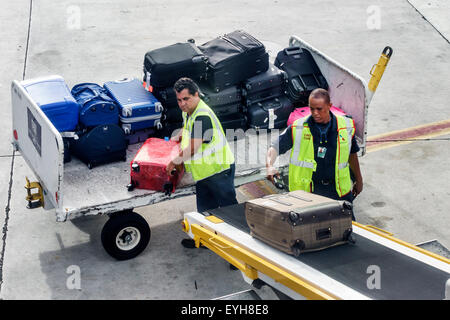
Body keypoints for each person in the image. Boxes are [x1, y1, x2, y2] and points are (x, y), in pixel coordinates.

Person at [266, 88, 363, 220]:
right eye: (312, 109)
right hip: (310, 194)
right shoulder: (298, 128)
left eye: (319, 109)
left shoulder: (345, 126)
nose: (315, 113)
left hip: (339, 192)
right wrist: (269, 165)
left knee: (348, 228)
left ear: (329, 106)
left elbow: (352, 154)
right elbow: (274, 147)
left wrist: (359, 179)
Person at [166, 77, 238, 248]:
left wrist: (174, 162)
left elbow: (194, 147)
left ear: (196, 95)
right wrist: (181, 134)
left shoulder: (202, 116)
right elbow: (188, 127)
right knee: (205, 210)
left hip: (219, 171)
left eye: (186, 99)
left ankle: (238, 252)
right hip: (205, 172)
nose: (182, 104)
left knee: (229, 213)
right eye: (179, 100)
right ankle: (205, 241)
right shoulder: (189, 112)